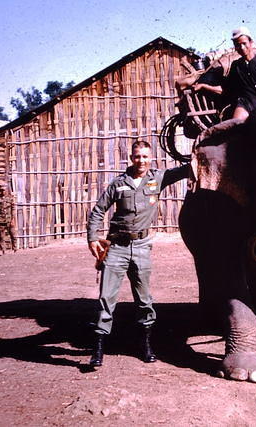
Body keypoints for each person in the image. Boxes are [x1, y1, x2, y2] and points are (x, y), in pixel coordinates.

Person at [86, 140, 190, 367]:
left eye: (144, 156)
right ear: (131, 158)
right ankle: (98, 350)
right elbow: (97, 211)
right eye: (136, 156)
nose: (140, 161)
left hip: (142, 247)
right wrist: (93, 238)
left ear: (150, 158)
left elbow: (185, 170)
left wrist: (201, 150)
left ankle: (145, 345)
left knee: (144, 300)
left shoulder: (157, 179)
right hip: (116, 248)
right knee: (106, 298)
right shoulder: (119, 184)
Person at [193, 26, 256, 120]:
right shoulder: (236, 66)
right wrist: (203, 86)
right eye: (238, 45)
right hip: (245, 105)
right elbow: (226, 90)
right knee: (236, 125)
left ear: (251, 42)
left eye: (244, 43)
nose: (242, 47)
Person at [0, 186, 17, 254]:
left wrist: (13, 219)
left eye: (4, 190)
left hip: (9, 220)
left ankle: (15, 250)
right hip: (1, 220)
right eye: (1, 190)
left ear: (6, 190)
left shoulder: (10, 198)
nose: (3, 191)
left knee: (13, 235)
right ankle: (3, 251)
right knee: (1, 237)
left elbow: (13, 209)